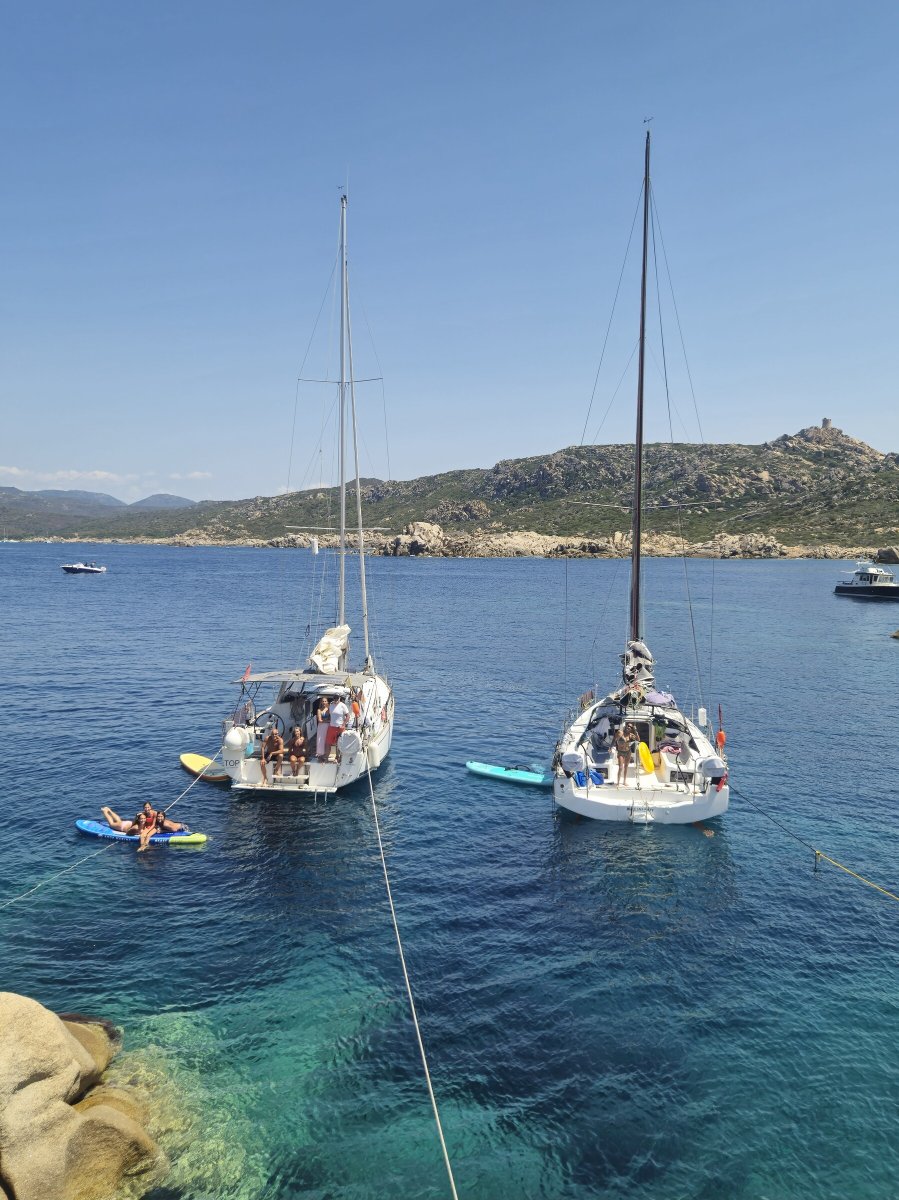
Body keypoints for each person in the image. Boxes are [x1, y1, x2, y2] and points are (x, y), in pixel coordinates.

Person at [327, 694, 350, 762]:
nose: (336, 699)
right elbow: (330, 715)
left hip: (340, 727)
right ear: (333, 698)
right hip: (332, 727)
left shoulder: (343, 705)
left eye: (337, 698)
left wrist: (343, 724)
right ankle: (327, 756)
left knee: (339, 743)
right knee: (329, 742)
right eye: (334, 698)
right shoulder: (331, 705)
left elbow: (348, 716)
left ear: (339, 698)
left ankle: (339, 757)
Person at [314, 697, 330, 762]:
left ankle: (326, 755)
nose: (324, 702)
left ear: (327, 702)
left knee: (327, 741)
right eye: (323, 701)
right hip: (321, 727)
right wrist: (328, 721)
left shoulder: (329, 709)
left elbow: (331, 719)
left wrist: (327, 720)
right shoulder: (319, 710)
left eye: (325, 701)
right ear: (321, 702)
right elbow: (320, 720)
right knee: (320, 740)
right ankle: (320, 755)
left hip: (328, 727)